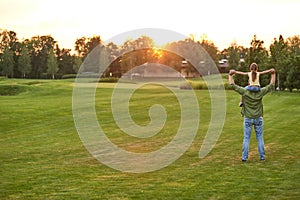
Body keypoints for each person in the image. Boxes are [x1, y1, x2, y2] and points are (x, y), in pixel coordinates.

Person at [228, 68, 276, 162]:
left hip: (248, 119)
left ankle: (244, 158)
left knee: (246, 139)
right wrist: (273, 74)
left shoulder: (245, 92)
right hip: (258, 118)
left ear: (249, 81)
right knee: (260, 138)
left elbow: (233, 85)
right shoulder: (261, 92)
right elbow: (271, 85)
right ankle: (262, 157)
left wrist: (230, 75)